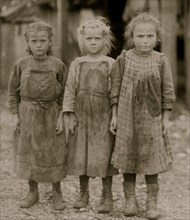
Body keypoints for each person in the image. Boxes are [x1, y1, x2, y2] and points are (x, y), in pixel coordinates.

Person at [110, 12, 175, 219]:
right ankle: (130, 199)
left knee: (151, 158)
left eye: (149, 36)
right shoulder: (124, 59)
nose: (145, 40)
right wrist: (113, 115)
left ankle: (151, 201)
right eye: (140, 36)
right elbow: (115, 89)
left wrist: (165, 119)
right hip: (126, 116)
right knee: (128, 156)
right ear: (131, 37)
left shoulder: (161, 61)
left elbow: (168, 91)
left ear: (157, 38)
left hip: (152, 118)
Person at [8, 21, 67, 210]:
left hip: (51, 114)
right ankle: (32, 192)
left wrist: (61, 117)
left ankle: (57, 192)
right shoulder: (21, 64)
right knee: (29, 152)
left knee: (54, 151)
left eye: (43, 40)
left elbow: (66, 94)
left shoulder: (58, 65)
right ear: (27, 43)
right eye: (34, 41)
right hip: (28, 114)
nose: (39, 45)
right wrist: (16, 115)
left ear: (50, 42)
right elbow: (12, 93)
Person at [63, 17, 118, 213]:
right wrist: (69, 115)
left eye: (97, 38)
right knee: (81, 154)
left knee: (104, 154)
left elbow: (115, 93)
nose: (93, 42)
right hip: (82, 115)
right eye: (89, 39)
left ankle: (107, 195)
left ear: (105, 40)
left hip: (102, 116)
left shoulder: (111, 64)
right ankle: (83, 194)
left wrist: (114, 115)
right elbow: (69, 90)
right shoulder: (77, 63)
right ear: (82, 40)